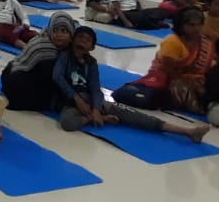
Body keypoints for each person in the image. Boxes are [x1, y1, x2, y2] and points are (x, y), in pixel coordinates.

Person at [53, 25, 210, 141]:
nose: (82, 42)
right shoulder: (65, 57)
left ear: (92, 47)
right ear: (73, 40)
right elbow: (58, 77)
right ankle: (101, 118)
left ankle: (188, 132)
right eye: (79, 38)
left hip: (93, 102)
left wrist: (95, 108)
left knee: (136, 116)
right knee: (68, 122)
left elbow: (95, 87)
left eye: (87, 40)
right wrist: (78, 100)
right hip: (71, 103)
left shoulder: (91, 63)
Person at [113, 8, 214, 111]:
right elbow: (169, 71)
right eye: (191, 25)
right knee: (152, 99)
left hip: (196, 80)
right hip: (167, 79)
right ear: (181, 25)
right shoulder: (173, 41)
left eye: (199, 25)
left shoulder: (205, 42)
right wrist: (189, 81)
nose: (196, 28)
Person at [0, 12, 76, 111]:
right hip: (17, 83)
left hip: (10, 73)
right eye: (55, 30)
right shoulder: (47, 49)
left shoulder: (47, 37)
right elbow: (51, 80)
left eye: (64, 31)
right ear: (50, 30)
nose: (59, 35)